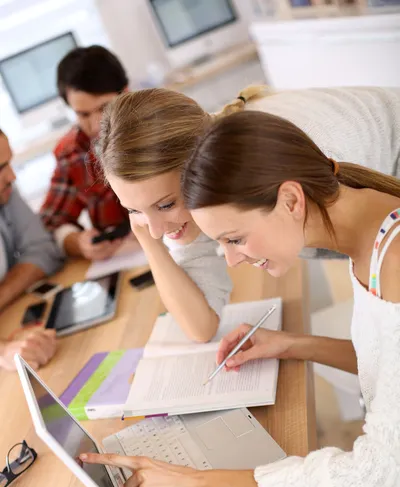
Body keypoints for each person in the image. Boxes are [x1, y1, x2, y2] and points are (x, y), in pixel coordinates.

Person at [83, 110, 400, 487]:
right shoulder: (368, 236)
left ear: (290, 199)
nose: (231, 259)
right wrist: (294, 345)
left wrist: (199, 486)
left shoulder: (393, 260)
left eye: (233, 239)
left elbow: (375, 485)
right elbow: (389, 363)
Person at [96, 86, 400, 342]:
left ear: (200, 169)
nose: (157, 229)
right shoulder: (192, 205)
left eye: (165, 205)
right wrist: (146, 238)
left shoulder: (274, 162)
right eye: (135, 209)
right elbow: (201, 328)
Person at [40, 45, 131, 261]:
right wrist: (78, 243)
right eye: (83, 114)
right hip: (127, 260)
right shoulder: (72, 152)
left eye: (104, 108)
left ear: (125, 92)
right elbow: (51, 222)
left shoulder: (165, 122)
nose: (97, 124)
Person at [0, 129, 62, 370]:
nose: (12, 176)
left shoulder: (5, 193)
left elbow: (42, 249)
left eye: (9, 162)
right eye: (0, 168)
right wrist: (4, 351)